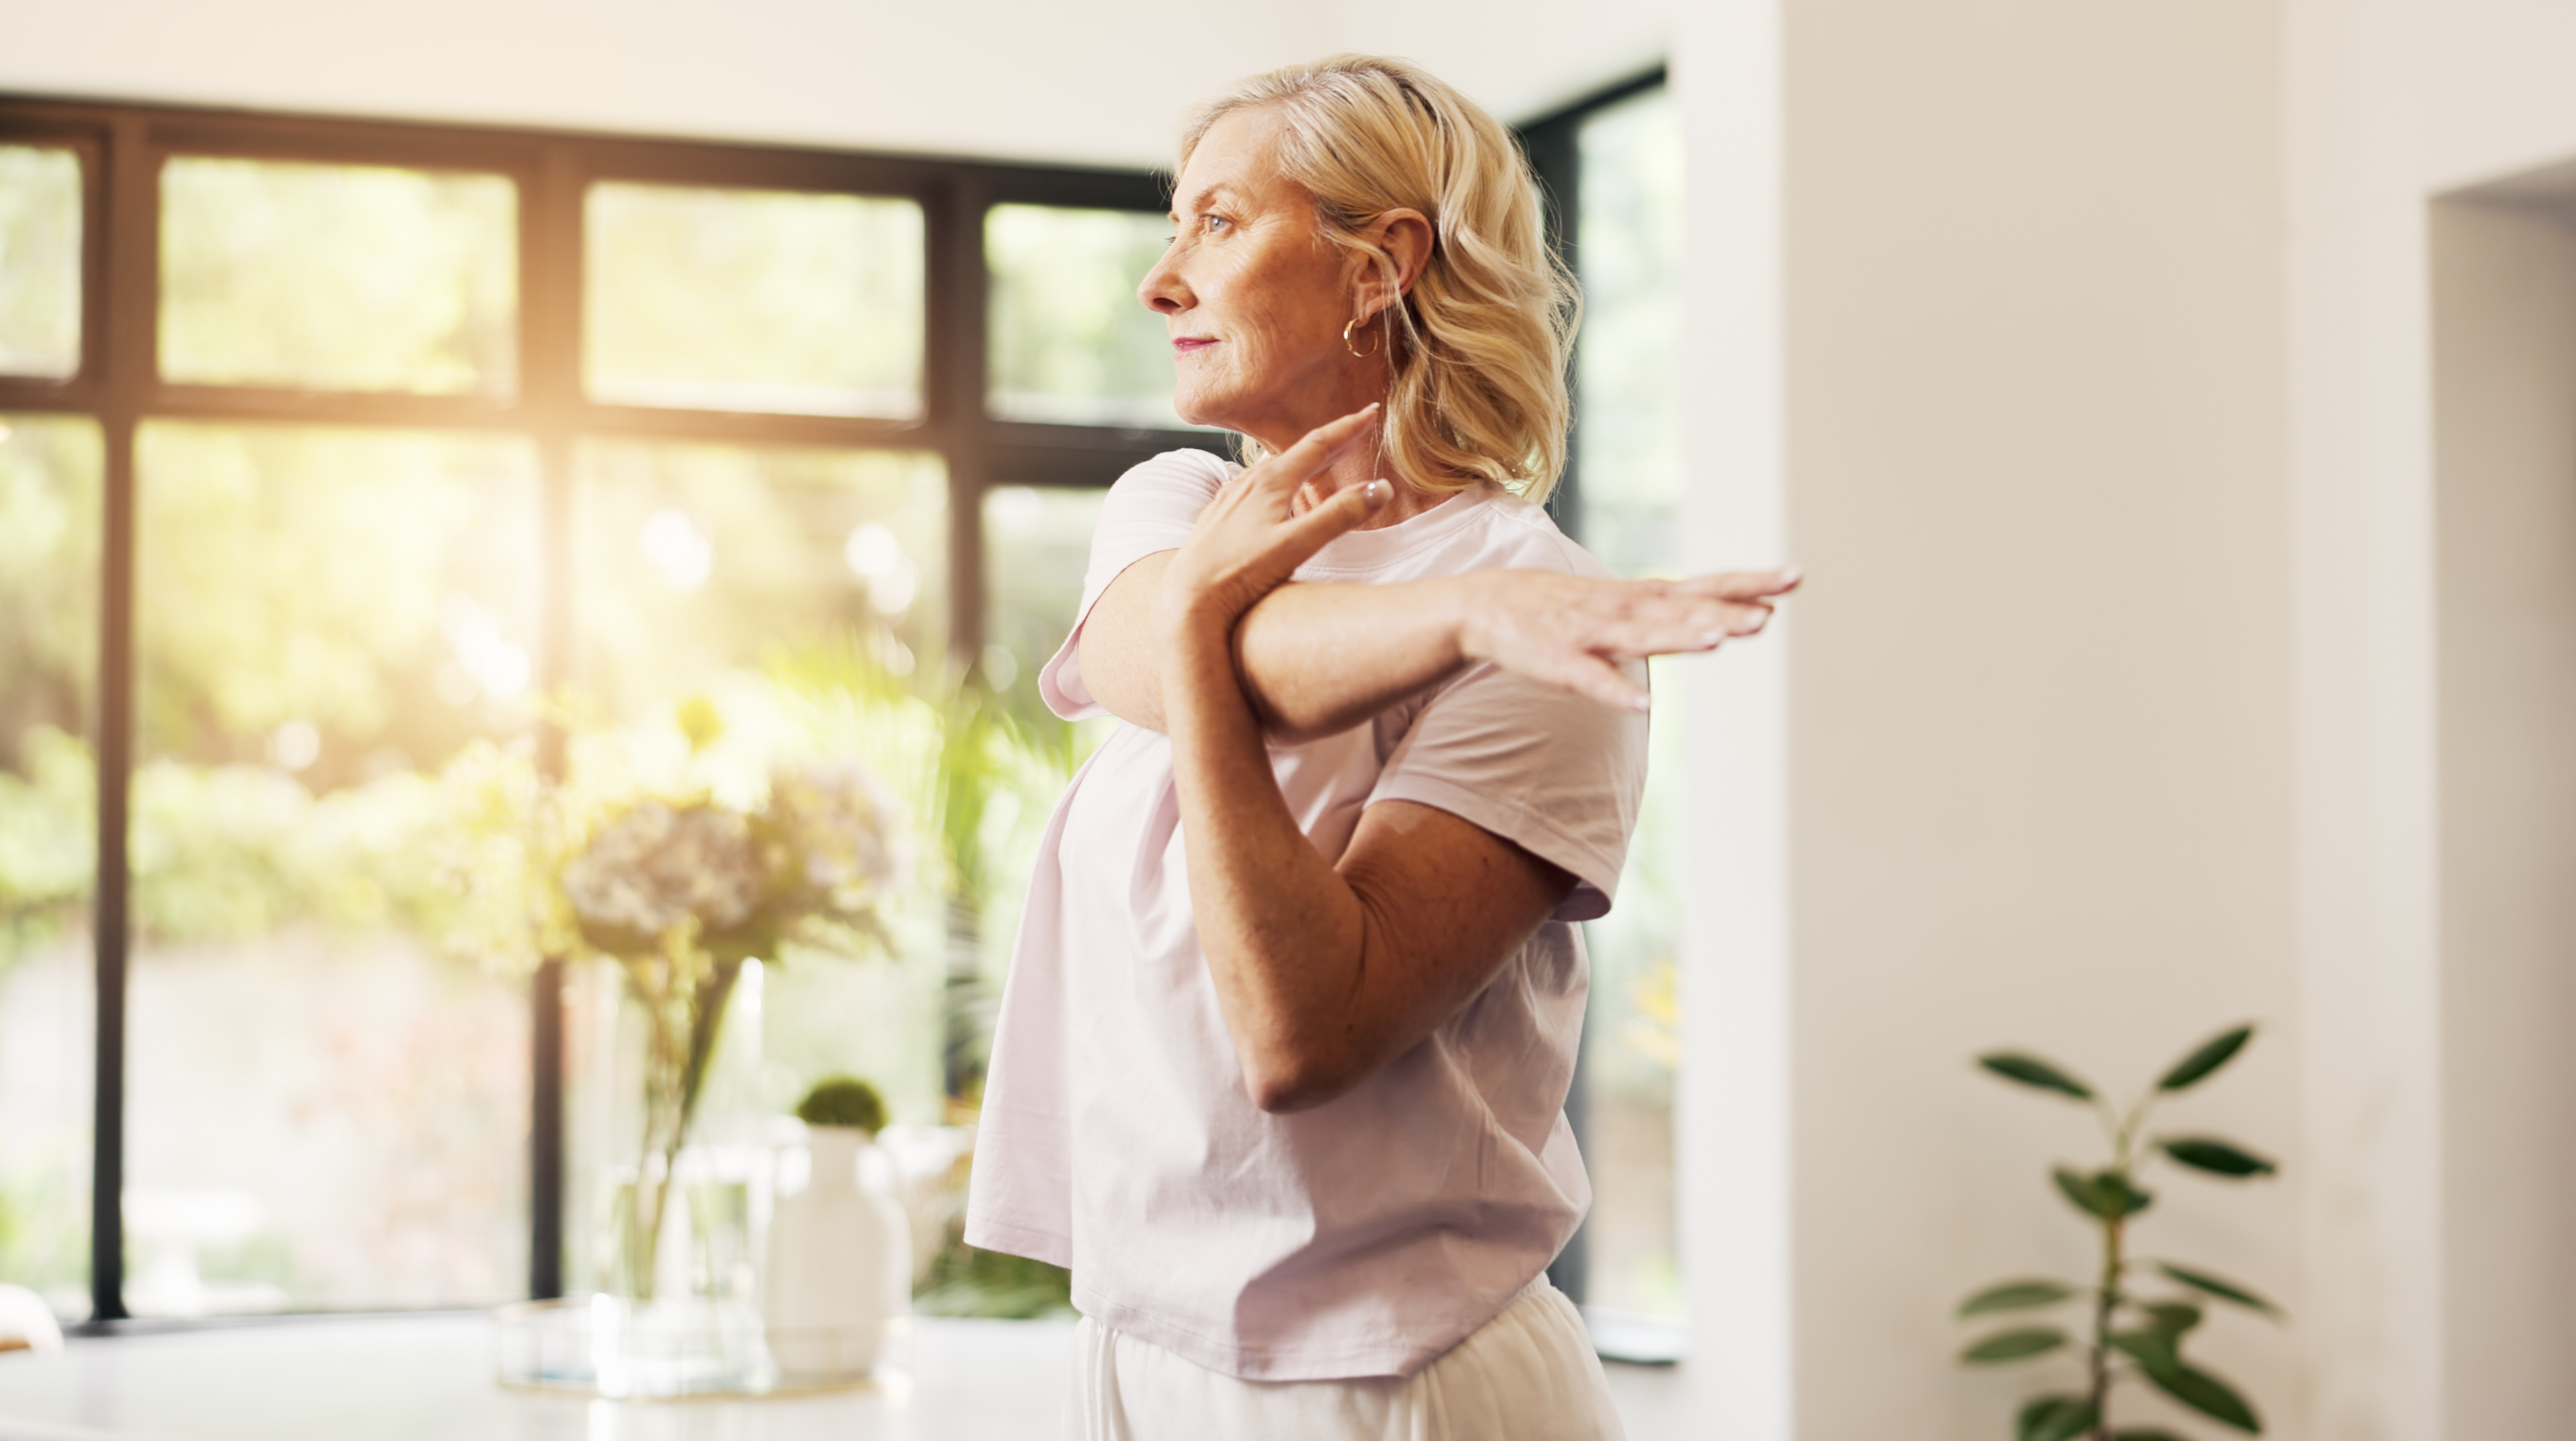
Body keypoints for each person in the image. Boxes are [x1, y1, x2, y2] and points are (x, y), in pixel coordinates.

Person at [964, 53, 1797, 1440]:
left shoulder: (1552, 630)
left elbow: (1303, 1034)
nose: (1159, 281)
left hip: (1392, 1380)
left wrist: (1469, 604)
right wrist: (1459, 616)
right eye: (1173, 226)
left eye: (1217, 223)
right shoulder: (1177, 509)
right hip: (1135, 1346)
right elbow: (1179, 665)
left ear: (1377, 267)